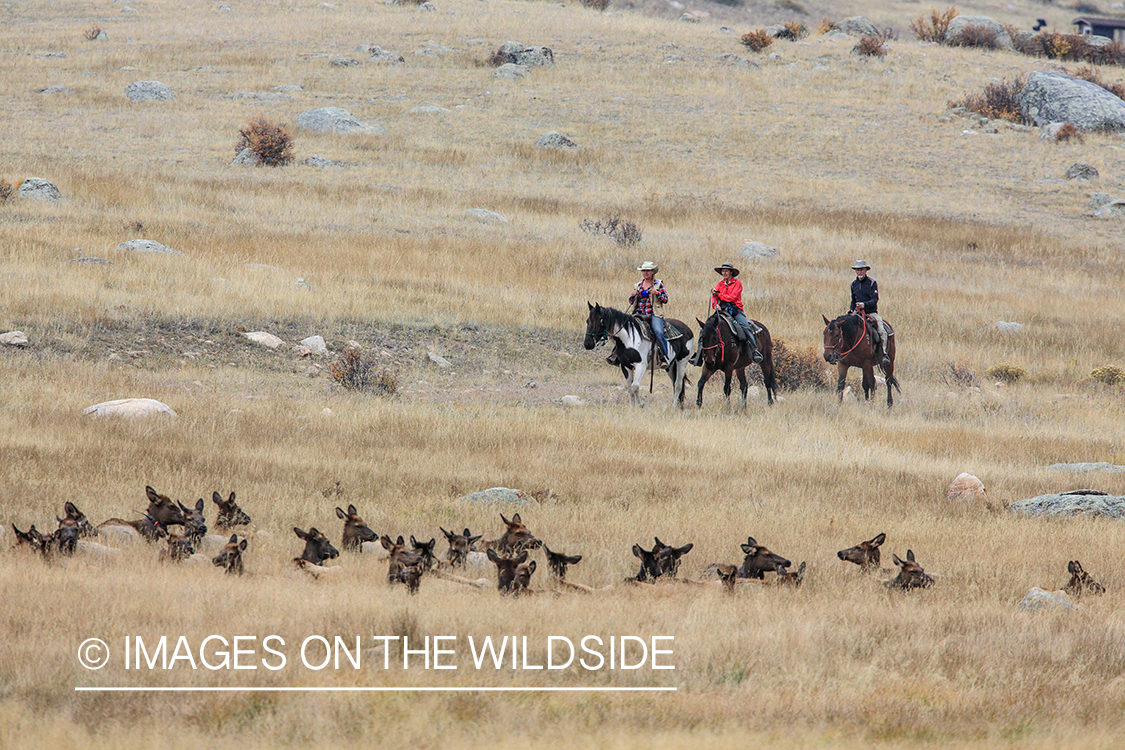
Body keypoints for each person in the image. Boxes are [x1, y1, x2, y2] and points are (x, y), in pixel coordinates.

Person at [709, 262, 762, 364]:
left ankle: (754, 351)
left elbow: (732, 297)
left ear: (731, 272)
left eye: (726, 271)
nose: (724, 273)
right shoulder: (719, 284)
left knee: (745, 326)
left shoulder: (737, 283)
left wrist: (719, 294)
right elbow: (714, 297)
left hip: (735, 310)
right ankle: (698, 354)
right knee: (707, 325)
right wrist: (715, 305)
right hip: (722, 310)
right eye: (723, 271)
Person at [627, 261, 672, 369]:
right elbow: (631, 302)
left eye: (648, 271)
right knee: (624, 328)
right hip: (638, 313)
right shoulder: (637, 285)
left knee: (658, 332)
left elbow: (665, 299)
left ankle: (664, 357)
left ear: (652, 272)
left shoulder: (658, 284)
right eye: (644, 271)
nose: (645, 273)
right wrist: (632, 296)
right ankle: (617, 355)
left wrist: (657, 293)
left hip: (653, 314)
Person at [849, 260, 890, 366]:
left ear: (865, 270)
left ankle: (884, 353)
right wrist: (851, 310)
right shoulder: (854, 284)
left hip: (871, 313)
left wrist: (864, 305)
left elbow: (875, 299)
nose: (859, 272)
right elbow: (853, 300)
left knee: (882, 331)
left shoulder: (872, 283)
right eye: (857, 270)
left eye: (861, 270)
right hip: (857, 313)